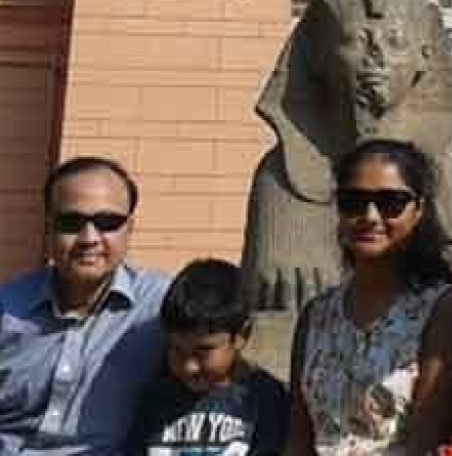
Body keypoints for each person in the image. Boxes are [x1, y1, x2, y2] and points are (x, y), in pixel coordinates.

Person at [286, 139, 452, 456]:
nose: (370, 216)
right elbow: (298, 439)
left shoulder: (442, 311)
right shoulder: (316, 315)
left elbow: (427, 441)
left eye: (390, 202)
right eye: (353, 202)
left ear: (419, 210)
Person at [0, 155, 169, 455]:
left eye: (107, 223)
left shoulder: (161, 306)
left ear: (129, 228)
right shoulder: (7, 308)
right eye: (71, 223)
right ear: (48, 228)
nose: (89, 238)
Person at [129, 258, 287, 455]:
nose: (189, 366)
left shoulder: (265, 398)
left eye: (203, 351)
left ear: (241, 336)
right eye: (177, 349)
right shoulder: (156, 398)